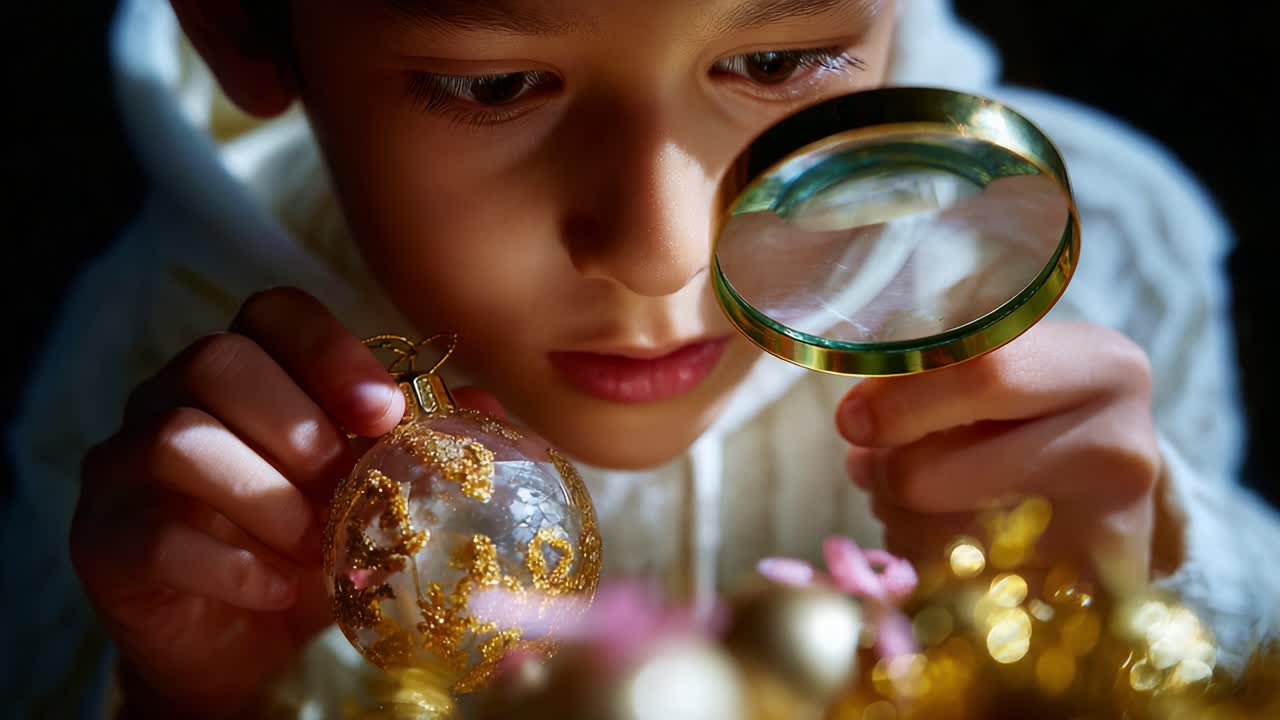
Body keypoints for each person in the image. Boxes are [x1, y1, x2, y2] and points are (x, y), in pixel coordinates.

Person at [4, 0, 1277, 716]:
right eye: (496, 87)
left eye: (773, 63)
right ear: (241, 24)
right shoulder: (165, 366)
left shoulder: (1097, 259)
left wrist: (1157, 584)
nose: (661, 253)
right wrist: (183, 699)